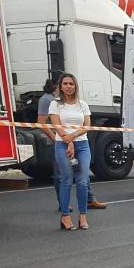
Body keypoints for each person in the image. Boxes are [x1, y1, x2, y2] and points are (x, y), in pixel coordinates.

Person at [49, 73, 93, 230]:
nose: (68, 86)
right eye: (65, 83)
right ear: (61, 86)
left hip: (82, 145)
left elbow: (87, 125)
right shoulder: (55, 104)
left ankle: (83, 216)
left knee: (82, 180)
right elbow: (56, 124)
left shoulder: (83, 104)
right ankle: (65, 217)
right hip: (61, 144)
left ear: (76, 86)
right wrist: (67, 140)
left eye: (71, 83)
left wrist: (73, 138)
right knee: (67, 179)